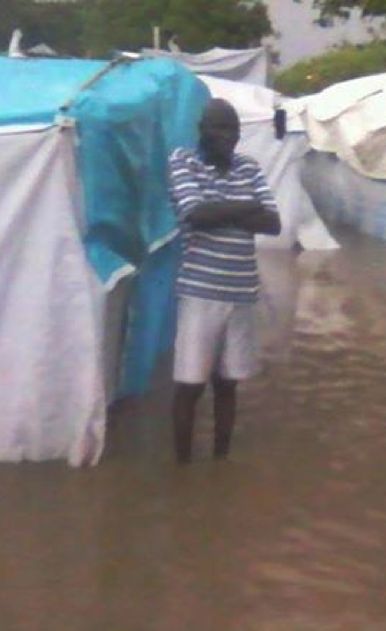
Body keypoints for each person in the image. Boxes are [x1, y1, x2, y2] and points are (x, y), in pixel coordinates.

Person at [167, 98, 281, 463]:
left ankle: (221, 460)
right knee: (190, 385)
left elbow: (273, 224)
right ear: (202, 130)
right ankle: (183, 466)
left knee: (228, 384)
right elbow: (195, 213)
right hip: (200, 293)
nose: (229, 136)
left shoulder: (249, 167)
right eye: (220, 128)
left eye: (233, 129)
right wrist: (247, 207)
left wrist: (222, 211)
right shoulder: (184, 161)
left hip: (242, 293)